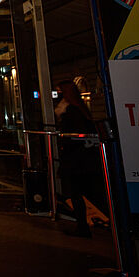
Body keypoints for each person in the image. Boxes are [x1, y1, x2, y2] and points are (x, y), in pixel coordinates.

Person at [54, 80, 97, 238]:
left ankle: (82, 226)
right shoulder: (81, 108)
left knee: (75, 192)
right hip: (82, 158)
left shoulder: (71, 110)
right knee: (79, 191)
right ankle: (83, 224)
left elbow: (72, 134)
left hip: (75, 159)